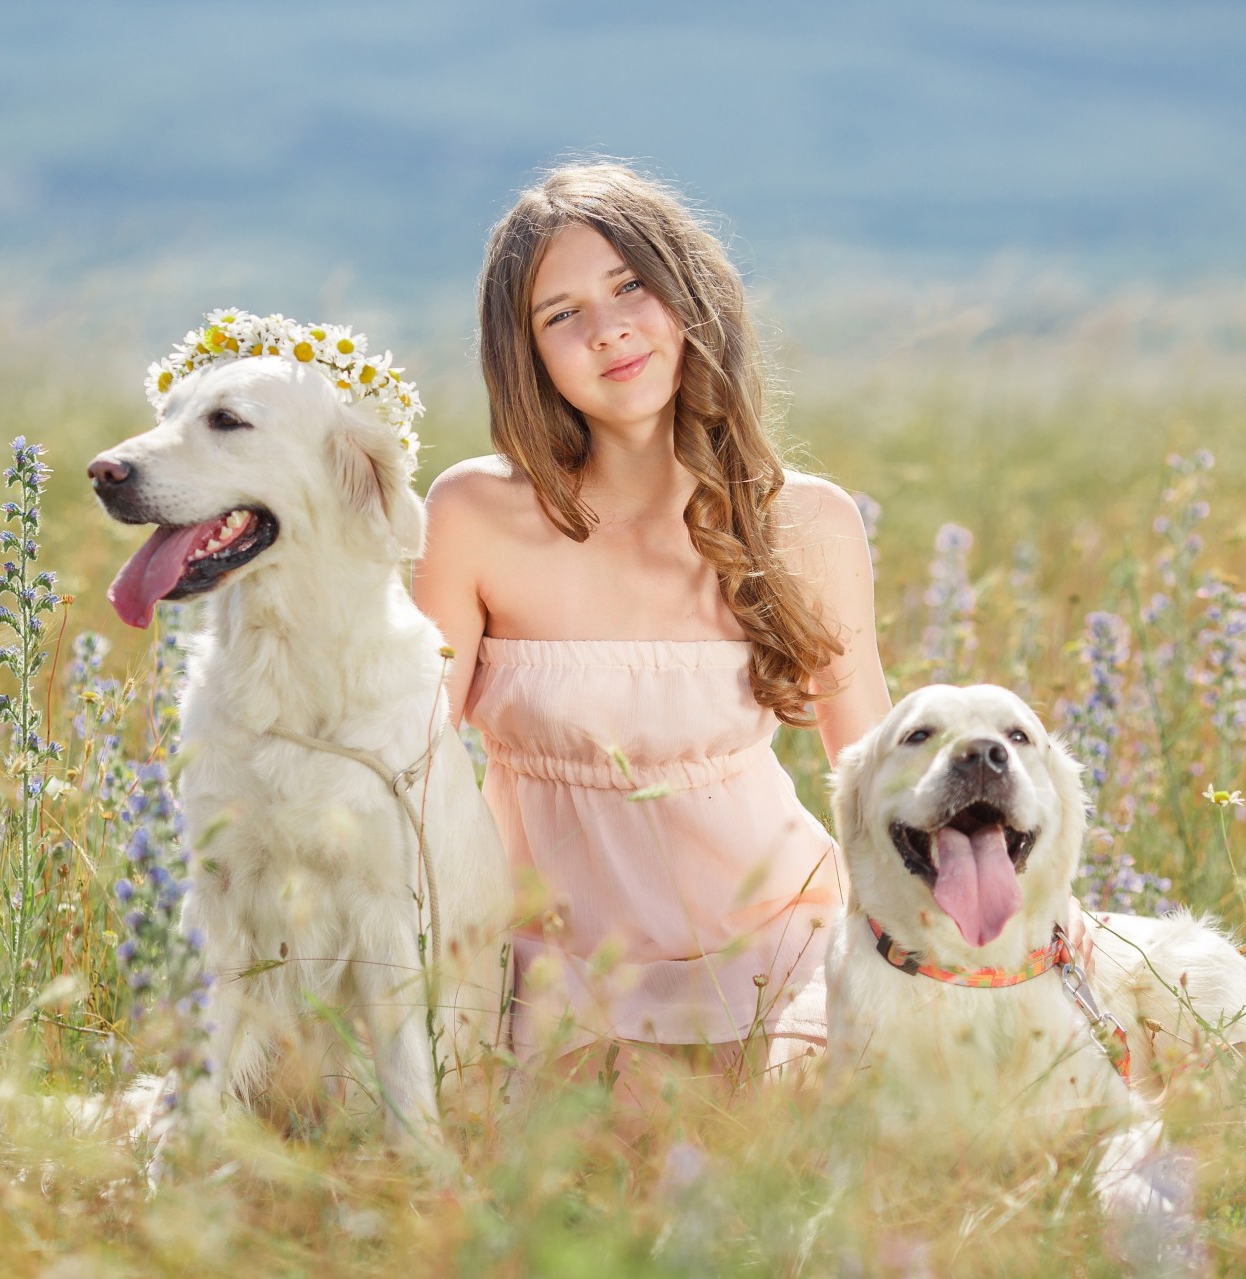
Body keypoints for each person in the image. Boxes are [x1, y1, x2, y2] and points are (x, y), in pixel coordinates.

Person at [414, 163, 1087, 1088]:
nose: (607, 328)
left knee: (797, 1158)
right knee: (608, 1164)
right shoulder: (473, 513)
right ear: (523, 353)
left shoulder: (805, 522)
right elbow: (406, 765)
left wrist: (1029, 929)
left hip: (780, 948)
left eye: (629, 286)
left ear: (690, 298)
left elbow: (877, 767)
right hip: (555, 967)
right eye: (559, 315)